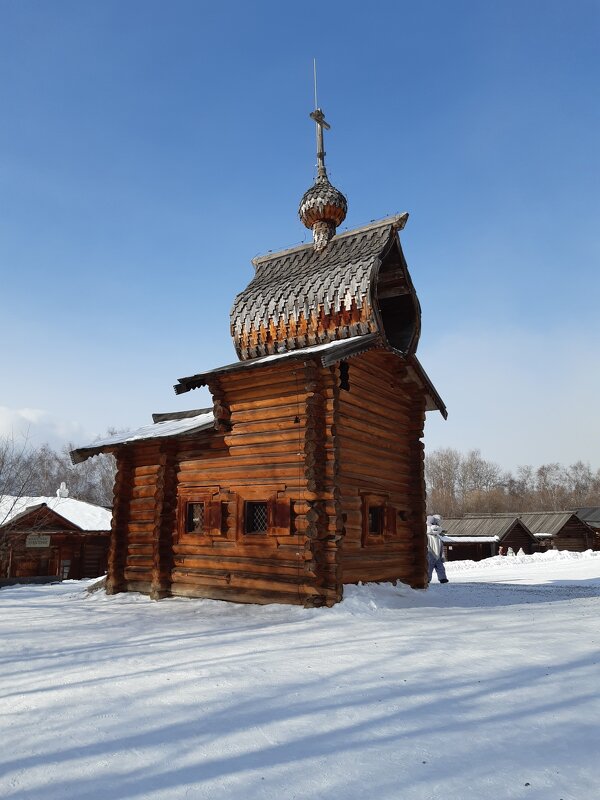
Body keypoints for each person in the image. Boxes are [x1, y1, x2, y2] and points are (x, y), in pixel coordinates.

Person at [426, 514, 449, 583]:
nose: (436, 526)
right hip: (430, 556)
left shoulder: (438, 538)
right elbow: (426, 546)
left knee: (441, 568)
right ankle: (427, 579)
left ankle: (443, 578)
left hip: (438, 556)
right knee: (428, 568)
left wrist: (442, 556)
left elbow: (441, 547)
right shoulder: (427, 537)